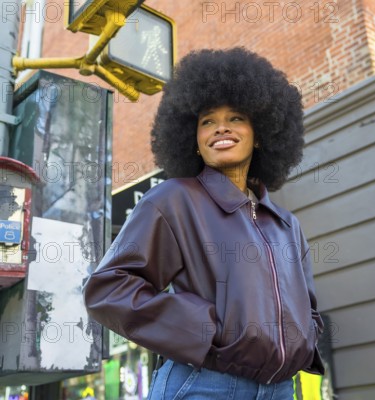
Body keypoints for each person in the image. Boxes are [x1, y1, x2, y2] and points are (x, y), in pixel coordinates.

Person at [83, 47, 325, 399]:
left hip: (283, 389)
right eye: (207, 121)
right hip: (205, 384)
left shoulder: (287, 224)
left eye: (236, 118)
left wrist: (305, 340)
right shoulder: (174, 200)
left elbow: (310, 307)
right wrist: (205, 330)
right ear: (194, 141)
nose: (221, 127)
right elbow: (109, 289)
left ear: (261, 134)